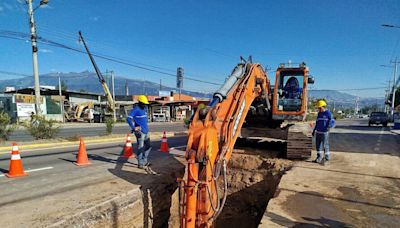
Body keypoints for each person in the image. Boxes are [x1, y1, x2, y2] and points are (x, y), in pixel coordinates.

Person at [127, 95, 152, 169]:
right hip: (140, 132)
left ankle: (144, 160)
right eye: (143, 103)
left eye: (145, 103)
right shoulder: (136, 109)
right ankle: (140, 163)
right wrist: (133, 127)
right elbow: (128, 118)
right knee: (140, 148)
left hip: (146, 131)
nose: (145, 105)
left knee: (148, 146)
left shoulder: (144, 109)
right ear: (140, 102)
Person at [312, 100, 332, 165]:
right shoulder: (319, 114)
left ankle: (326, 159)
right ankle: (319, 158)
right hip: (318, 132)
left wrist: (328, 128)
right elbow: (317, 122)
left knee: (325, 145)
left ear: (323, 107)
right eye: (318, 108)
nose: (319, 109)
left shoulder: (328, 113)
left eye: (319, 108)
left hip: (324, 133)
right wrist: (314, 130)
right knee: (318, 146)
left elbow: (331, 121)